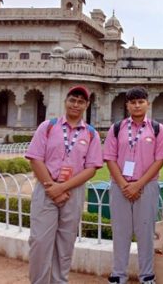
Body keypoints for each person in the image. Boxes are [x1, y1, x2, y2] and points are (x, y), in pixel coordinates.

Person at [25, 85, 103, 284]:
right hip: (46, 189)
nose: (76, 105)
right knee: (40, 242)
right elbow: (35, 158)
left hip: (72, 192)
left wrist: (62, 188)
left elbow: (91, 168)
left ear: (87, 105)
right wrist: (52, 186)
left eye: (80, 102)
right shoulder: (48, 127)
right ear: (65, 101)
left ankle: (60, 281)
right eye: (72, 100)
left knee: (65, 244)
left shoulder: (91, 134)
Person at [103, 87, 163, 284]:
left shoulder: (157, 129)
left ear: (148, 103)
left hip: (146, 186)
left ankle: (147, 275)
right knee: (120, 231)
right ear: (127, 105)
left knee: (146, 232)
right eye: (133, 102)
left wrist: (138, 184)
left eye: (140, 101)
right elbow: (110, 158)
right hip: (120, 185)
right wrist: (125, 184)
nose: (137, 105)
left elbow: (160, 160)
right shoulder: (117, 128)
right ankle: (118, 274)